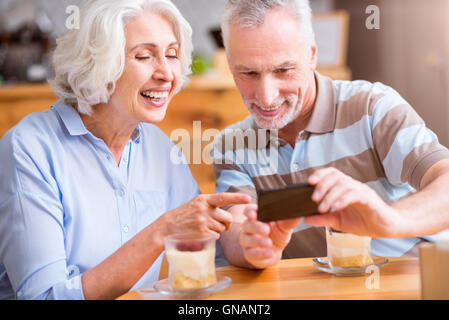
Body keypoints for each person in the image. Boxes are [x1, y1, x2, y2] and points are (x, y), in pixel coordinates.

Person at [0, 0, 250, 300]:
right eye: (144, 56)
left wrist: (249, 238)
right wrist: (160, 232)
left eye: (172, 55)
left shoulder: (160, 148)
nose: (167, 73)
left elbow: (213, 256)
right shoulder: (29, 149)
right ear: (95, 63)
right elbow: (42, 297)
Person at [213, 0, 449, 270]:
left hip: (412, 284)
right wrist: (255, 247)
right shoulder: (231, 146)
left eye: (283, 70)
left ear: (312, 55)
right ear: (231, 66)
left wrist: (389, 218)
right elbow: (235, 232)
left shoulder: (372, 107)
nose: (266, 97)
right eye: (249, 73)